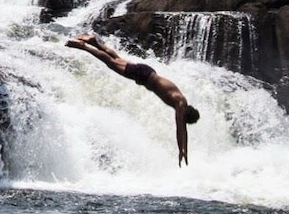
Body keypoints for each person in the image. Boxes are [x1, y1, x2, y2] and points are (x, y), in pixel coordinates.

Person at [66, 34, 199, 166]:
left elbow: (183, 130)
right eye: (183, 119)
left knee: (116, 59)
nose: (181, 120)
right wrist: (180, 149)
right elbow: (180, 129)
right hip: (144, 76)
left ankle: (94, 42)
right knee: (111, 63)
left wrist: (184, 150)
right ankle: (84, 47)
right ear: (185, 116)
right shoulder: (180, 104)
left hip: (147, 72)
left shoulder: (182, 101)